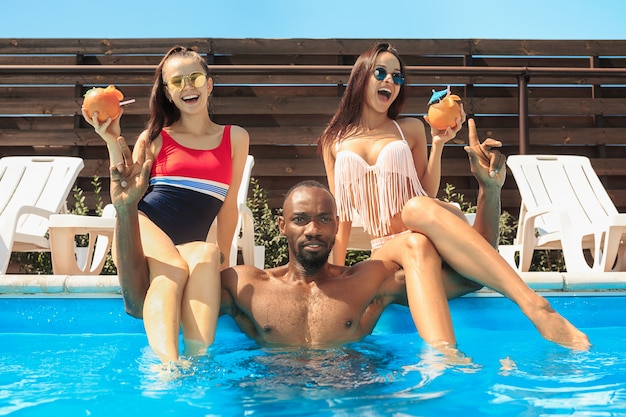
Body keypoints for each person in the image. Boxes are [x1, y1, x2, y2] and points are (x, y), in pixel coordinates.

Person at [110, 139, 589, 350]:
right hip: (269, 397)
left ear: (338, 226)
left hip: (361, 393)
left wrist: (488, 191)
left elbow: (472, 275)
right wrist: (129, 210)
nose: (313, 229)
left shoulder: (369, 281)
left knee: (417, 241)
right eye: (301, 220)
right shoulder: (244, 284)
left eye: (323, 219)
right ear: (283, 228)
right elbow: (139, 304)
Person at [317, 42, 591, 349]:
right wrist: (334, 276)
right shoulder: (334, 140)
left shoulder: (409, 128)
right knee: (416, 227)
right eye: (380, 72)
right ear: (361, 77)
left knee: (416, 220)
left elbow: (424, 191)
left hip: (426, 240)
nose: (389, 82)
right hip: (384, 250)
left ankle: (525, 315)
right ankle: (528, 307)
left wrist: (439, 143)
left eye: (397, 77)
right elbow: (339, 216)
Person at [83, 46, 250, 363]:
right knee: (171, 270)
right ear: (168, 93)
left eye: (195, 77)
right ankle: (166, 368)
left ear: (209, 84)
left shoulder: (235, 137)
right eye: (177, 82)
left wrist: (225, 266)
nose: (188, 87)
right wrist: (111, 140)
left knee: (208, 252)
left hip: (185, 246)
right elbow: (126, 189)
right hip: (143, 230)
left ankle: (198, 363)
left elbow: (229, 207)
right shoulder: (154, 138)